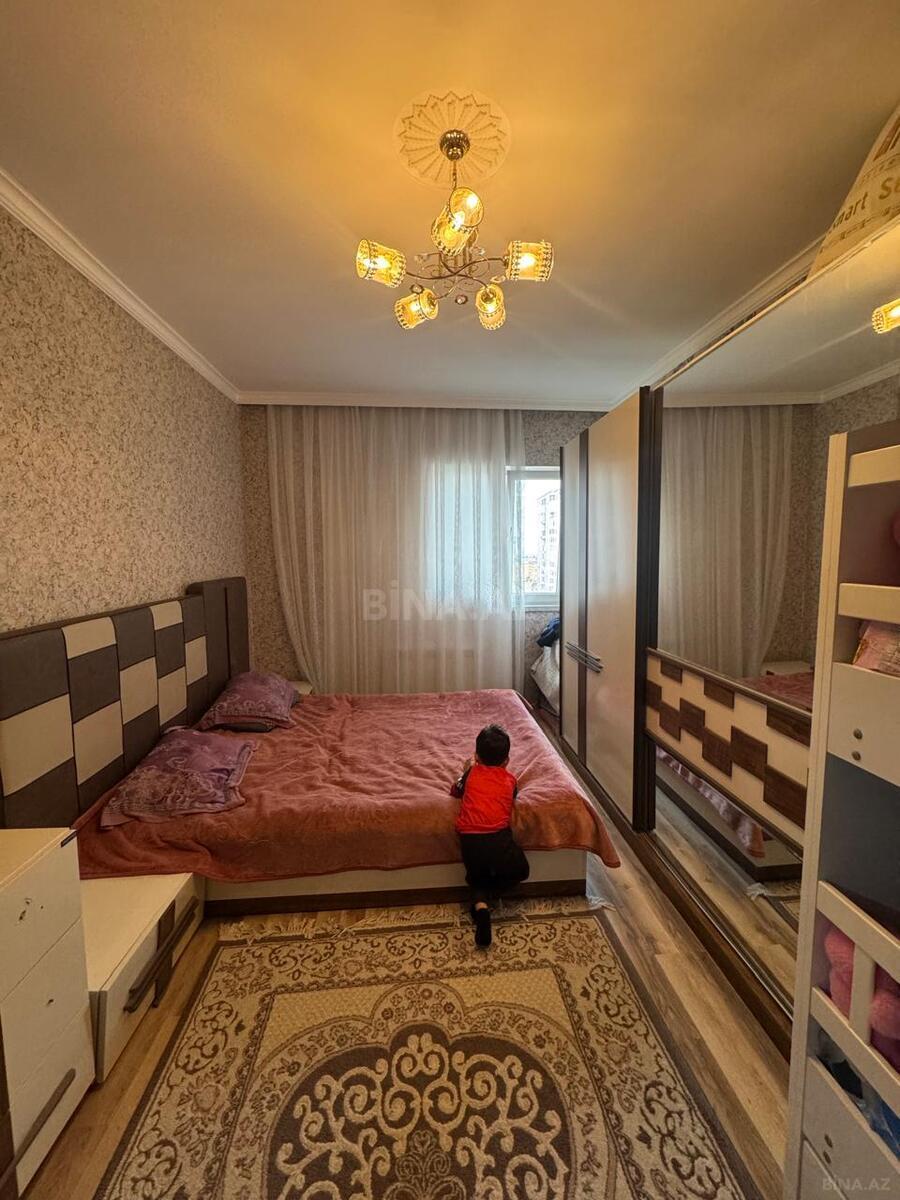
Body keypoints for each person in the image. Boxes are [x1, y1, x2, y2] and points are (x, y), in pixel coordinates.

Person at [451, 723, 530, 948]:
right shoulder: (510, 780)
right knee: (521, 870)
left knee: (476, 878)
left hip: (469, 839)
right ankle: (489, 895)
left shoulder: (471, 773)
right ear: (507, 761)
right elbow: (512, 796)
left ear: (476, 757)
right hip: (498, 838)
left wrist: (465, 772)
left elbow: (455, 790)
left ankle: (481, 907)